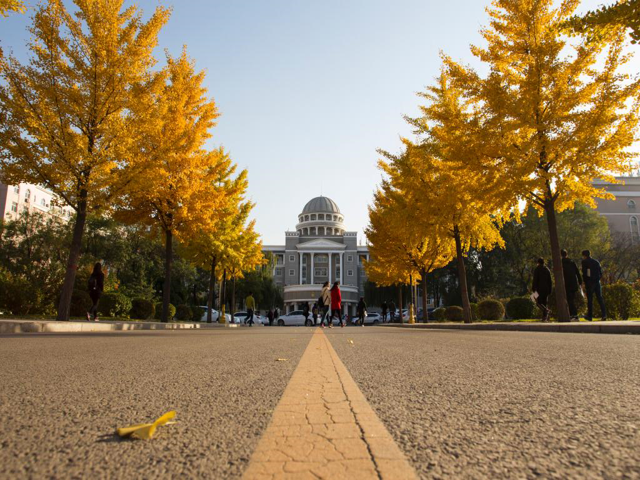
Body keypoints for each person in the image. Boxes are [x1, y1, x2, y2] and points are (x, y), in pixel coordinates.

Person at [581, 250, 607, 321]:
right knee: (600, 298)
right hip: (597, 282)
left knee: (590, 299)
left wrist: (585, 282)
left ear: (584, 255)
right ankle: (604, 314)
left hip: (589, 282)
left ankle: (590, 315)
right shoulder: (596, 262)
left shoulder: (584, 262)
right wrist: (597, 278)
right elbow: (600, 272)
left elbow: (584, 272)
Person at [561, 249, 582, 321]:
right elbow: (577, 273)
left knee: (569, 300)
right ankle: (573, 314)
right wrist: (580, 282)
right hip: (573, 283)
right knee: (572, 299)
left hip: (566, 284)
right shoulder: (572, 262)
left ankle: (573, 314)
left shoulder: (560, 263)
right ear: (567, 254)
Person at [532, 258, 553, 322]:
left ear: (538, 262)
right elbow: (550, 281)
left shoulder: (537, 269)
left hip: (539, 289)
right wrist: (550, 289)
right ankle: (545, 318)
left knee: (538, 303)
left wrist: (533, 288)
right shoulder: (547, 269)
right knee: (544, 303)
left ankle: (545, 310)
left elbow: (535, 280)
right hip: (546, 289)